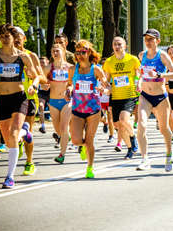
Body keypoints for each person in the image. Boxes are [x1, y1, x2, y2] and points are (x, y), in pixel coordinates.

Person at [0, 24, 39, 188]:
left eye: (7, 36)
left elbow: (36, 76)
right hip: (2, 100)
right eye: (1, 36)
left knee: (13, 135)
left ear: (13, 38)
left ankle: (9, 177)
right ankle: (26, 131)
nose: (4, 39)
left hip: (19, 98)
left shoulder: (23, 57)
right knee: (8, 141)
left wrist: (33, 85)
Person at [136, 29, 173, 171]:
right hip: (145, 96)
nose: (148, 42)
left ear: (157, 41)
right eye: (146, 39)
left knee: (163, 128)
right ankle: (144, 159)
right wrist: (139, 81)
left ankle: (169, 152)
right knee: (141, 124)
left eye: (151, 39)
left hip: (160, 97)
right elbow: (142, 73)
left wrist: (160, 74)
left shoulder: (163, 55)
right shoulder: (142, 55)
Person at [67, 40, 109, 178]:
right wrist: (68, 90)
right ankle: (82, 147)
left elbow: (106, 85)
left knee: (89, 140)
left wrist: (103, 89)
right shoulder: (72, 69)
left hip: (93, 109)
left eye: (83, 52)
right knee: (76, 140)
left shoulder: (95, 69)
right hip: (78, 109)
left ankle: (90, 168)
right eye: (77, 52)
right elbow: (70, 85)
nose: (79, 55)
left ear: (89, 52)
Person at [13, 26, 46, 176]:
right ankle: (17, 140)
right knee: (8, 130)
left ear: (24, 38)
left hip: (29, 97)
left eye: (19, 36)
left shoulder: (30, 56)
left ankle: (29, 162)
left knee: (27, 131)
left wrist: (33, 80)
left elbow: (43, 78)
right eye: (13, 36)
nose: (16, 39)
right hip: (11, 97)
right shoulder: (4, 56)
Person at [102, 37, 140, 159]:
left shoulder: (132, 59)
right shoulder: (109, 62)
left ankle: (133, 138)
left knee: (124, 120)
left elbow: (139, 74)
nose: (117, 46)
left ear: (125, 46)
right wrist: (105, 88)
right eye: (115, 44)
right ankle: (130, 148)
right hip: (115, 97)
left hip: (130, 95)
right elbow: (107, 80)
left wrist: (139, 82)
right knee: (118, 125)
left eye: (119, 44)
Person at [43, 43, 72, 164]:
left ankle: (62, 154)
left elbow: (74, 83)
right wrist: (44, 85)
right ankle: (67, 137)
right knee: (58, 130)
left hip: (67, 101)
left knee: (64, 127)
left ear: (63, 51)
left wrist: (70, 89)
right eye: (53, 51)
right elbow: (42, 82)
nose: (55, 53)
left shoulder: (70, 68)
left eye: (57, 51)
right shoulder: (48, 68)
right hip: (53, 101)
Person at [38, 56, 50, 133]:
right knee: (41, 106)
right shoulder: (38, 71)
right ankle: (42, 126)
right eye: (40, 62)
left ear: (47, 62)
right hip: (42, 92)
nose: (41, 64)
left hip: (51, 92)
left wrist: (49, 86)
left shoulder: (50, 71)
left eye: (43, 62)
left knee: (52, 108)